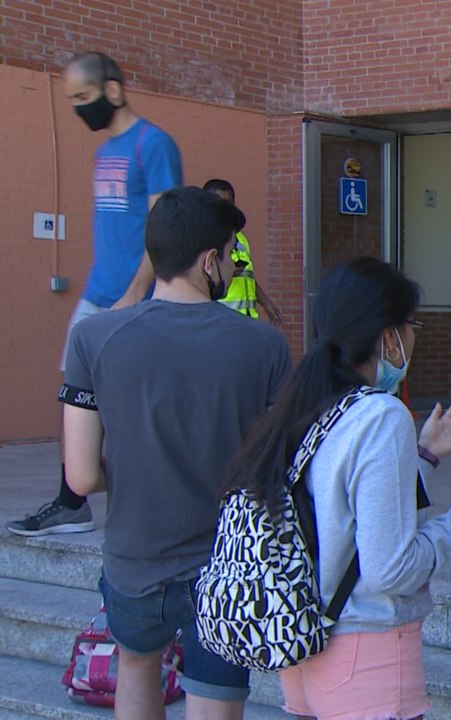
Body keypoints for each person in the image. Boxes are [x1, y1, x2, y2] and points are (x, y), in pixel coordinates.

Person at [223, 256, 451, 720]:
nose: (413, 338)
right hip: (365, 654)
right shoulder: (380, 415)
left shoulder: (305, 405)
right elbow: (390, 570)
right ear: (388, 335)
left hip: (300, 641)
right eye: (412, 325)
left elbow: (342, 510)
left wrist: (424, 457)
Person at [62, 187, 291, 718]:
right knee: (215, 693)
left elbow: (81, 476)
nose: (233, 268)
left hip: (133, 561)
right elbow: (277, 465)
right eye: (231, 256)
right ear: (209, 261)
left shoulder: (91, 338)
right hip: (227, 563)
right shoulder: (265, 346)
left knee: (136, 666)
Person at [8, 51, 182, 537]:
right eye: (71, 99)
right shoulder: (104, 151)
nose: (78, 107)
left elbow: (164, 227)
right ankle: (71, 501)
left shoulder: (154, 144)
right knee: (75, 393)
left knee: (137, 402)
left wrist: (136, 292)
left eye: (83, 96)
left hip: (138, 299)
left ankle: (150, 497)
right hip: (97, 294)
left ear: (113, 90)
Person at [202, 179, 283, 325]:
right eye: (220, 204)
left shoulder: (240, 238)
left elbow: (247, 276)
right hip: (221, 321)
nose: (225, 209)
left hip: (248, 319)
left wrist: (266, 302)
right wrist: (228, 271)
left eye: (229, 203)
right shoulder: (203, 238)